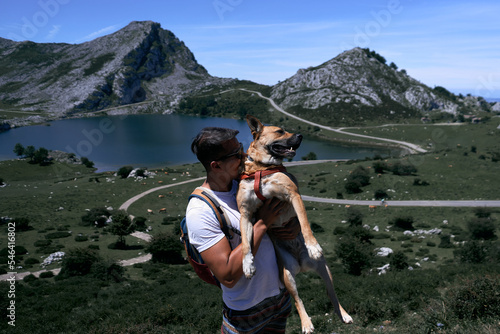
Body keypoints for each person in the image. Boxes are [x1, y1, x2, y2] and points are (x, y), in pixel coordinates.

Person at [186, 126, 299, 334]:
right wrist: (263, 223)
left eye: (241, 148)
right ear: (216, 165)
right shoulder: (201, 210)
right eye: (236, 154)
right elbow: (227, 275)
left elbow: (282, 221)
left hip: (279, 299)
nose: (245, 154)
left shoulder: (244, 183)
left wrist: (290, 227)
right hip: (246, 311)